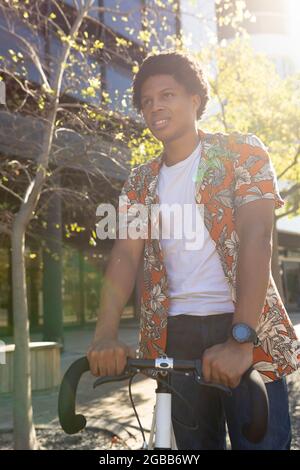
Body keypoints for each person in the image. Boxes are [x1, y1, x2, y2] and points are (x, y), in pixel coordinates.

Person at [87, 50, 300, 450]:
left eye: (166, 95)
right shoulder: (139, 182)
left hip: (245, 326)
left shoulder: (242, 153)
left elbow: (257, 237)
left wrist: (241, 340)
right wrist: (104, 335)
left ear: (195, 101)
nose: (155, 108)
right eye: (147, 102)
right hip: (176, 337)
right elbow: (125, 257)